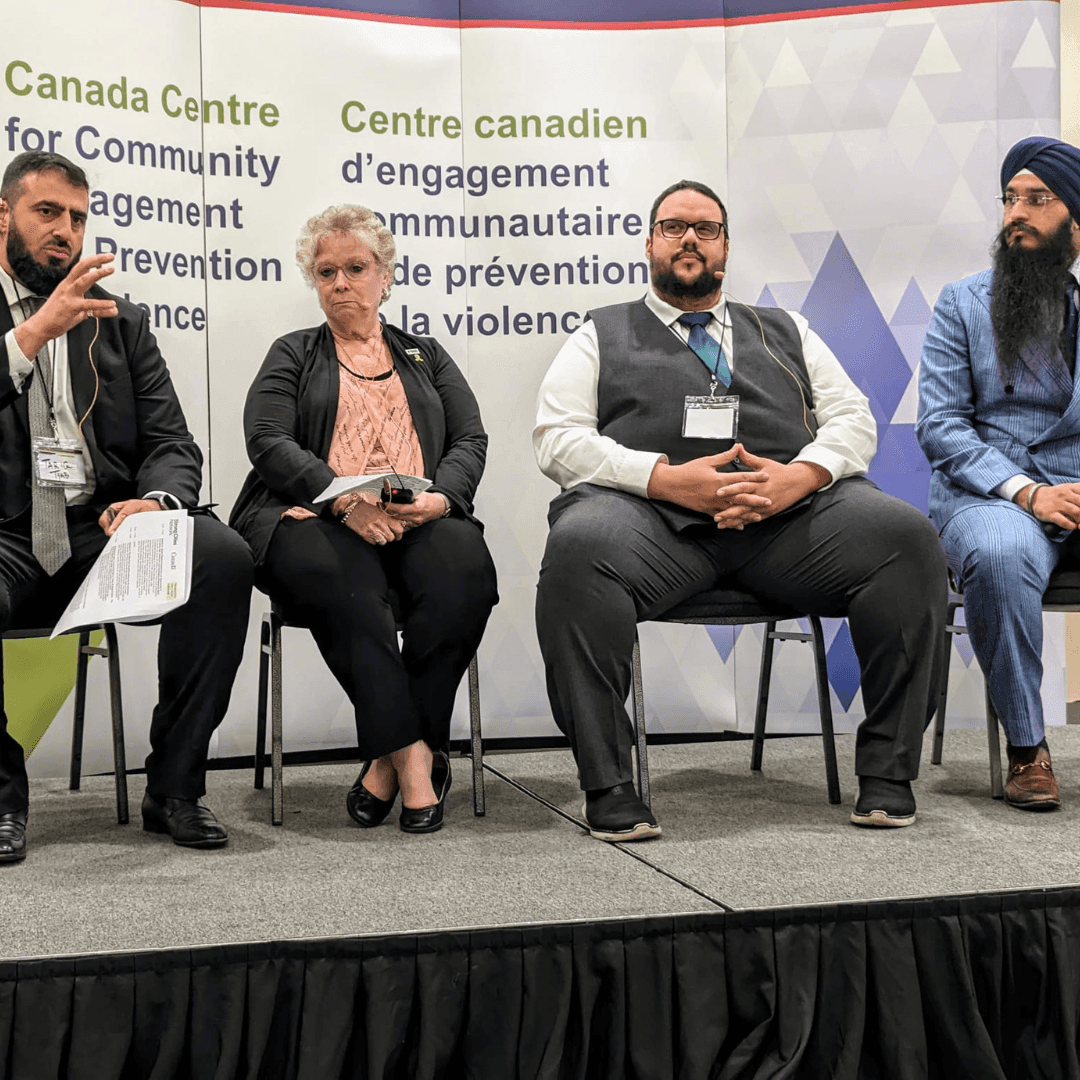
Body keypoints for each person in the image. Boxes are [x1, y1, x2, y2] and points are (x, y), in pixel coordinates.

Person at [534, 179, 946, 841]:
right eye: (674, 227)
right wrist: (664, 478)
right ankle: (609, 785)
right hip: (655, 528)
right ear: (649, 244)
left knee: (906, 538)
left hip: (788, 527)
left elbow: (852, 420)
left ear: (726, 244)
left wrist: (799, 477)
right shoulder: (599, 333)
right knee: (578, 548)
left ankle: (889, 773)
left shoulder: (786, 329)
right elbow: (558, 440)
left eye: (705, 227)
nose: (689, 238)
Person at [0, 151, 253, 860]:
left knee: (220, 558)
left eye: (77, 218)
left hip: (101, 531)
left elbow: (172, 439)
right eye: (47, 212)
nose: (65, 231)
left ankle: (174, 787)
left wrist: (154, 498)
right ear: (3, 217)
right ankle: (0, 796)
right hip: (7, 539)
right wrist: (31, 336)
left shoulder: (120, 321)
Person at [230, 205, 497, 834]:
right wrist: (344, 501)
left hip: (416, 518)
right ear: (313, 281)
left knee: (466, 573)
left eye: (356, 268)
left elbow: (470, 440)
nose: (341, 282)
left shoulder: (425, 354)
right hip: (315, 519)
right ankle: (413, 766)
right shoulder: (293, 352)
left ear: (385, 275)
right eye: (327, 272)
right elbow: (267, 438)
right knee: (347, 583)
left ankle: (390, 755)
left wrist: (442, 500)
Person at [917, 137, 1080, 811]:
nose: (1017, 213)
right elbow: (941, 425)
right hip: (994, 494)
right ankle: (1027, 747)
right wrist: (1030, 492)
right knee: (1001, 552)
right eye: (1011, 198)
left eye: (1037, 200)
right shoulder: (962, 302)